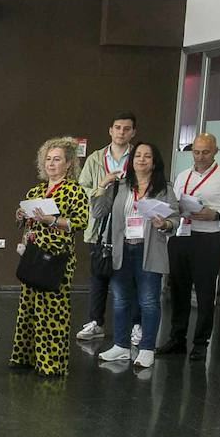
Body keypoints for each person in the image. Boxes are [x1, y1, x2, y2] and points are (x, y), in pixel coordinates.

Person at [157, 132, 220, 362]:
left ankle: (200, 343)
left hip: (208, 238)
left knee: (205, 292)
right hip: (181, 236)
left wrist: (216, 213)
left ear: (215, 151)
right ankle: (177, 337)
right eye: (196, 152)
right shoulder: (182, 175)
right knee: (178, 289)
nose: (199, 157)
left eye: (205, 152)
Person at [93, 141, 179, 370]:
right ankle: (121, 345)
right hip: (122, 249)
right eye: (137, 155)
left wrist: (165, 223)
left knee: (149, 302)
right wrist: (102, 185)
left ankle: (147, 348)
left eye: (147, 156)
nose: (141, 159)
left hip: (149, 249)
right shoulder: (120, 185)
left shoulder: (164, 188)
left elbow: (175, 219)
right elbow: (98, 211)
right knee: (121, 300)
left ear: (154, 162)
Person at [9, 138, 89, 377]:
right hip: (33, 254)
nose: (51, 164)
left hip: (57, 257)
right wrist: (21, 215)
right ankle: (25, 357)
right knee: (28, 307)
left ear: (68, 164)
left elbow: (80, 222)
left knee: (53, 310)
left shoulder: (75, 191)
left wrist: (52, 220)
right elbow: (22, 223)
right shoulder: (36, 190)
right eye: (48, 159)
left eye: (57, 159)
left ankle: (51, 363)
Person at [76, 111, 138, 347]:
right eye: (117, 127)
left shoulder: (138, 157)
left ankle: (134, 325)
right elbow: (82, 189)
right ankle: (95, 322)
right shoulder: (95, 158)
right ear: (110, 130)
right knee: (98, 276)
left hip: (129, 227)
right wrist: (102, 185)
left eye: (126, 128)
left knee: (128, 278)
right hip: (99, 227)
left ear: (133, 132)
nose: (121, 132)